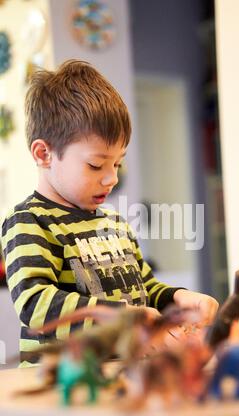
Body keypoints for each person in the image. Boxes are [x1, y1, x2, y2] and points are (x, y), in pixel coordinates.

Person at [1, 60, 218, 366]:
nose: (112, 178)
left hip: (123, 374)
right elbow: (36, 305)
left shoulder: (114, 223)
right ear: (44, 154)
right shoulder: (29, 221)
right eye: (95, 165)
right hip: (61, 382)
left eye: (117, 163)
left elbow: (146, 290)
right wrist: (122, 318)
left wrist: (178, 299)